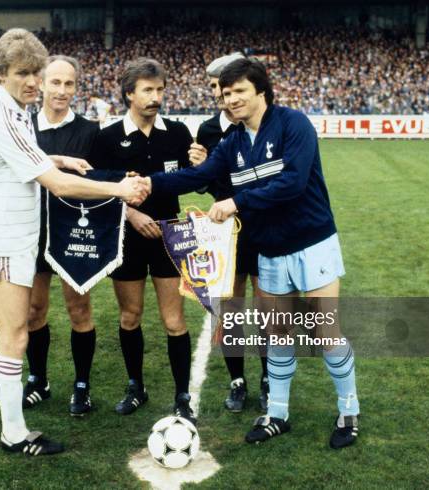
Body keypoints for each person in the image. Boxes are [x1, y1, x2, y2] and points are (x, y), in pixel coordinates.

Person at [0, 28, 147, 457]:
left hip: (20, 235)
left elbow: (28, 159)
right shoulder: (2, 113)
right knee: (16, 333)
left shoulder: (17, 108)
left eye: (37, 72)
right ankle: (14, 435)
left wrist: (56, 157)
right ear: (0, 74)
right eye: (24, 73)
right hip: (2, 237)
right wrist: (119, 191)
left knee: (9, 323)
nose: (35, 82)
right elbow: (55, 184)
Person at [145, 58, 360, 449]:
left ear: (261, 90)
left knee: (325, 331)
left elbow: (293, 183)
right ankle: (277, 413)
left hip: (313, 243)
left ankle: (349, 409)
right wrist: (147, 183)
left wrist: (235, 202)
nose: (231, 99)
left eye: (239, 91)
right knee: (276, 332)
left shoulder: (294, 124)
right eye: (226, 94)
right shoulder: (233, 142)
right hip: (270, 251)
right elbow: (197, 175)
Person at [89, 58, 197, 424]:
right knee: (130, 315)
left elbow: (192, 180)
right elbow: (97, 188)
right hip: (127, 236)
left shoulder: (178, 133)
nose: (156, 97)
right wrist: (131, 214)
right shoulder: (105, 139)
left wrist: (202, 163)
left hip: (169, 234)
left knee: (173, 319)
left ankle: (183, 394)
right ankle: (136, 386)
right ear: (129, 94)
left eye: (160, 89)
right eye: (148, 90)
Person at [188, 52, 269, 413]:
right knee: (230, 308)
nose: (221, 95)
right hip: (225, 229)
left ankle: (269, 378)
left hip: (264, 224)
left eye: (227, 87)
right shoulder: (207, 130)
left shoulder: (262, 124)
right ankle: (238, 380)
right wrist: (203, 171)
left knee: (267, 306)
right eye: (215, 87)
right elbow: (208, 185)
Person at [23, 55, 102, 416]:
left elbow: (99, 183)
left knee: (79, 309)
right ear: (41, 83)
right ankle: (38, 379)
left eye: (69, 84)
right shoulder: (23, 126)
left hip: (75, 233)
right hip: (31, 230)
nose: (62, 91)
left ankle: (81, 385)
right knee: (34, 310)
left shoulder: (88, 131)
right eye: (55, 82)